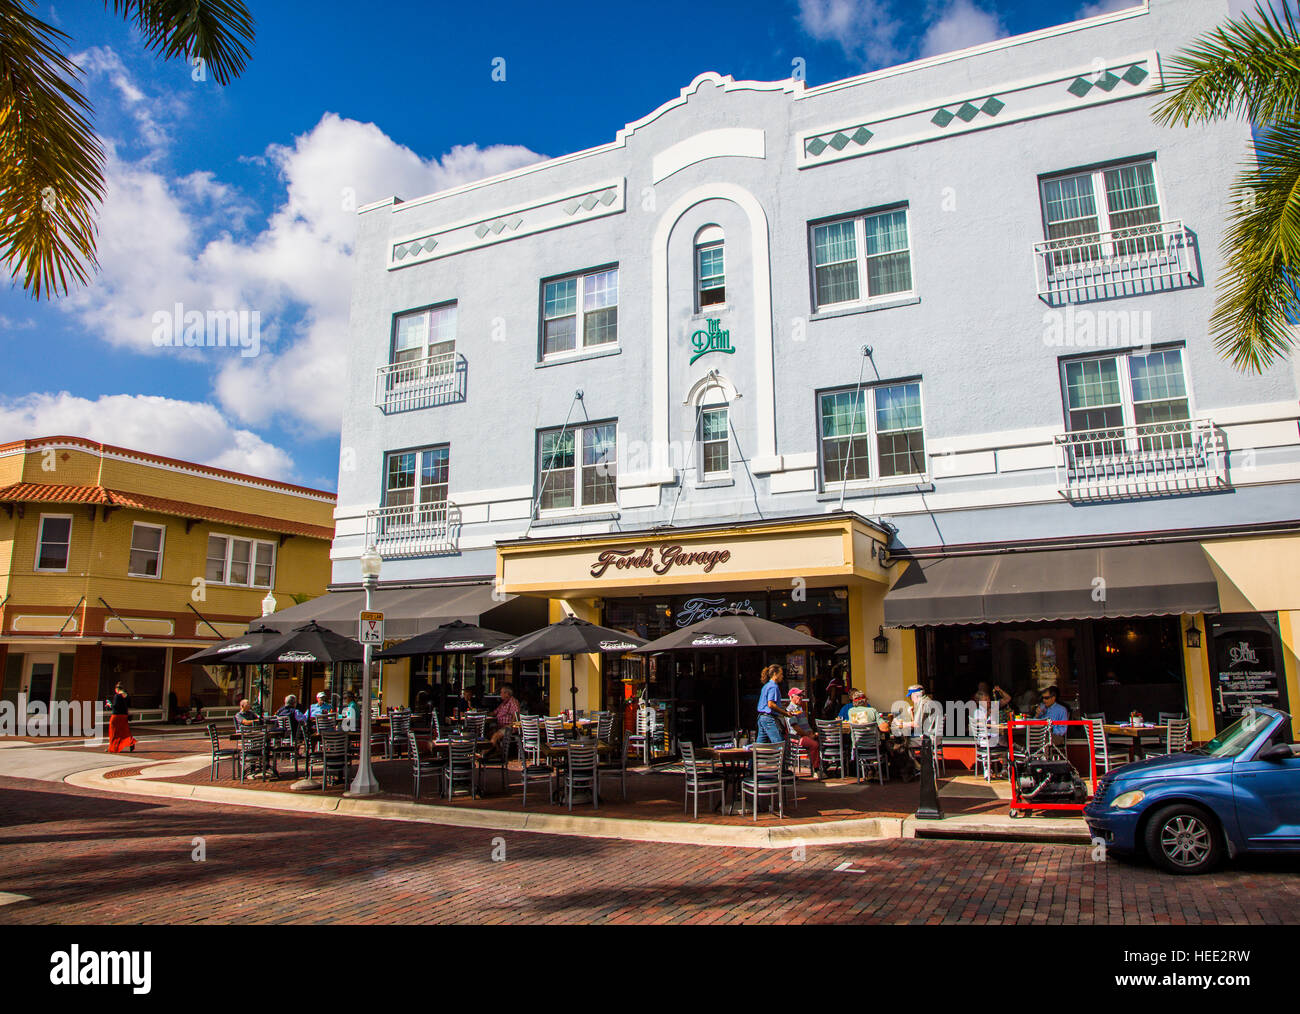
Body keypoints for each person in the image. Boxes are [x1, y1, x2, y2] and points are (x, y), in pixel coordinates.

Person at [785, 687, 823, 778]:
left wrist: (812, 733)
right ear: (792, 697)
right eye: (798, 695)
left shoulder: (800, 708)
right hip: (797, 738)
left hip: (805, 735)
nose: (801, 697)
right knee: (814, 745)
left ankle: (822, 767)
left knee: (824, 739)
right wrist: (808, 735)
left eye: (801, 695)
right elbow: (796, 728)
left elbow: (805, 725)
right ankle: (816, 770)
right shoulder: (790, 709)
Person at [755, 664, 786, 744]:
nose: (782, 676)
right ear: (775, 674)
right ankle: (781, 757)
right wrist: (785, 713)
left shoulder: (766, 686)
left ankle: (758, 756)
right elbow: (771, 704)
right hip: (769, 718)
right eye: (781, 674)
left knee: (761, 745)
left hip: (761, 718)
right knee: (780, 743)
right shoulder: (773, 687)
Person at [487, 683, 520, 756]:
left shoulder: (513, 702)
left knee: (495, 735)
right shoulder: (504, 703)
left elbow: (516, 714)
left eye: (501, 692)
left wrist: (510, 725)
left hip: (509, 727)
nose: (500, 694)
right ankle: (498, 751)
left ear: (507, 693)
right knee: (488, 733)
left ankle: (484, 752)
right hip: (500, 725)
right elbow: (495, 712)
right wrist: (484, 713)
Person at [106, 682, 136, 754]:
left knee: (113, 732)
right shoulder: (127, 696)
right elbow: (129, 705)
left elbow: (115, 706)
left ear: (117, 689)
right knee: (124, 731)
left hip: (116, 716)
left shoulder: (117, 696)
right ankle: (131, 742)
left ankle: (113, 747)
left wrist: (109, 705)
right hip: (124, 716)